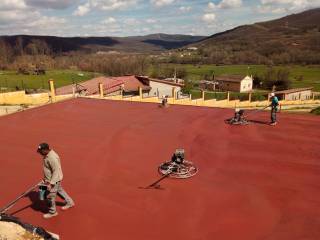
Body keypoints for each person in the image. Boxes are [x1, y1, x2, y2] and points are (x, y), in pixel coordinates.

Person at [37, 143, 75, 219]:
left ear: (45, 150)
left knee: (50, 196)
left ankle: (52, 212)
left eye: (41, 151)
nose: (40, 153)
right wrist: (45, 179)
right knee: (59, 190)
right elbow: (49, 170)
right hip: (51, 179)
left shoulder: (52, 158)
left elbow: (56, 171)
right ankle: (70, 202)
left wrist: (51, 184)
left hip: (54, 180)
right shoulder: (47, 155)